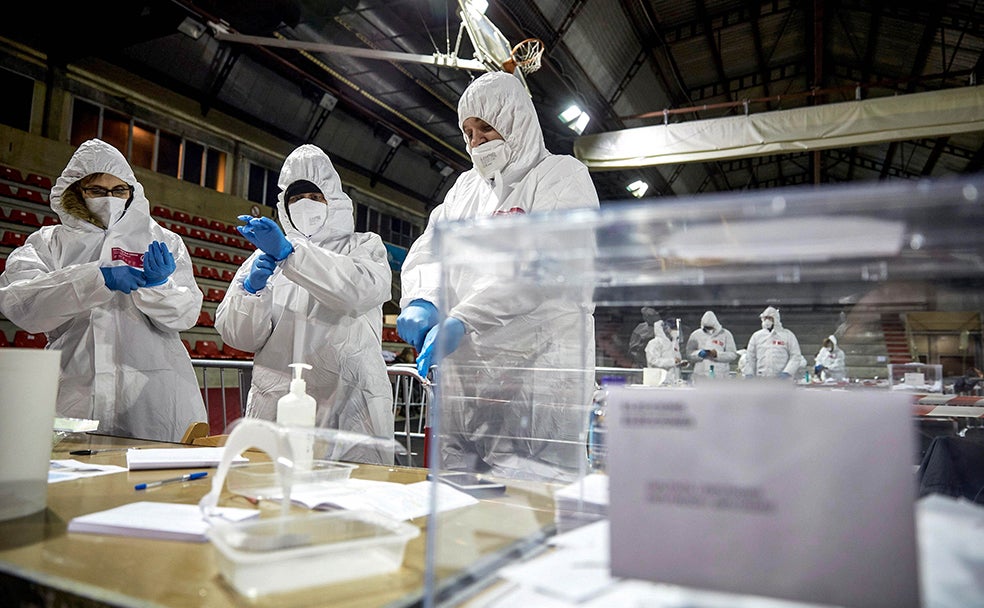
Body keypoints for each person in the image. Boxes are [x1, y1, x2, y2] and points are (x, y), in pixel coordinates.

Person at [396, 71, 600, 481]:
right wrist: (424, 297)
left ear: (515, 121)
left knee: (535, 505)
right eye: (468, 132)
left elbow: (548, 267)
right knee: (461, 511)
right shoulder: (464, 190)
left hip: (538, 385)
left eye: (486, 128)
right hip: (468, 386)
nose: (475, 141)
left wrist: (464, 318)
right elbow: (430, 249)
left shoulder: (561, 176)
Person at [0, 139, 205, 442]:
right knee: (76, 479)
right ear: (76, 191)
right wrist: (96, 279)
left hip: (153, 394)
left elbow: (186, 315)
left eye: (119, 190)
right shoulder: (49, 243)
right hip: (77, 388)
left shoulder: (164, 240)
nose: (109, 198)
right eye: (96, 190)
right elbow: (20, 302)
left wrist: (159, 287)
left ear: (131, 192)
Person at [215, 144, 394, 464]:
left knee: (353, 497)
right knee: (272, 498)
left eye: (315, 197)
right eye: (295, 198)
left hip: (349, 405)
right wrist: (252, 290)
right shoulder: (262, 256)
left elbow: (357, 292)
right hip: (277, 404)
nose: (305, 206)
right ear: (284, 206)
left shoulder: (363, 247)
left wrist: (292, 256)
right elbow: (237, 337)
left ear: (333, 199)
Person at [744, 306, 802, 379]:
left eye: (770, 318)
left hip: (781, 380)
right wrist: (749, 372)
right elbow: (750, 357)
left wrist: (787, 372)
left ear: (776, 319)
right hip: (761, 378)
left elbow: (795, 356)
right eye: (765, 318)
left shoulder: (787, 335)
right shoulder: (757, 336)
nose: (767, 321)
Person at [685, 310, 738, 379]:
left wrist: (717, 355)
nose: (708, 329)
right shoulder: (695, 335)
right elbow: (689, 354)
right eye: (706, 328)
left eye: (710, 327)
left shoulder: (725, 334)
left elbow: (733, 355)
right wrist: (699, 354)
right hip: (700, 375)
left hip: (720, 376)